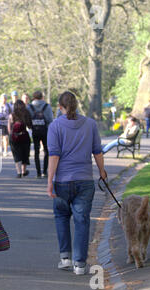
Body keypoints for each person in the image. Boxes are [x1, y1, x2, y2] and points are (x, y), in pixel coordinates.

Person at [47, 91, 107, 275]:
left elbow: (54, 155)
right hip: (84, 179)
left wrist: (50, 181)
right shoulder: (90, 124)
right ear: (76, 105)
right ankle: (80, 264)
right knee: (82, 220)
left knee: (61, 216)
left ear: (60, 106)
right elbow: (97, 151)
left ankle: (65, 258)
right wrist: (102, 172)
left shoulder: (55, 126)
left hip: (63, 180)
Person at [27, 91, 53, 178]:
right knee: (46, 151)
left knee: (36, 151)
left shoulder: (29, 107)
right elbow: (50, 119)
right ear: (42, 97)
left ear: (33, 97)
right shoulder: (47, 106)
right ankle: (45, 171)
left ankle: (38, 172)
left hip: (35, 131)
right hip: (45, 131)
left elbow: (28, 119)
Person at [7, 99, 32, 178]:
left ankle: (18, 172)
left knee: (16, 154)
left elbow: (9, 127)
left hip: (14, 137)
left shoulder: (12, 115)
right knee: (25, 153)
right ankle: (23, 171)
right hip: (24, 136)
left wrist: (11, 135)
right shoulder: (26, 114)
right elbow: (30, 125)